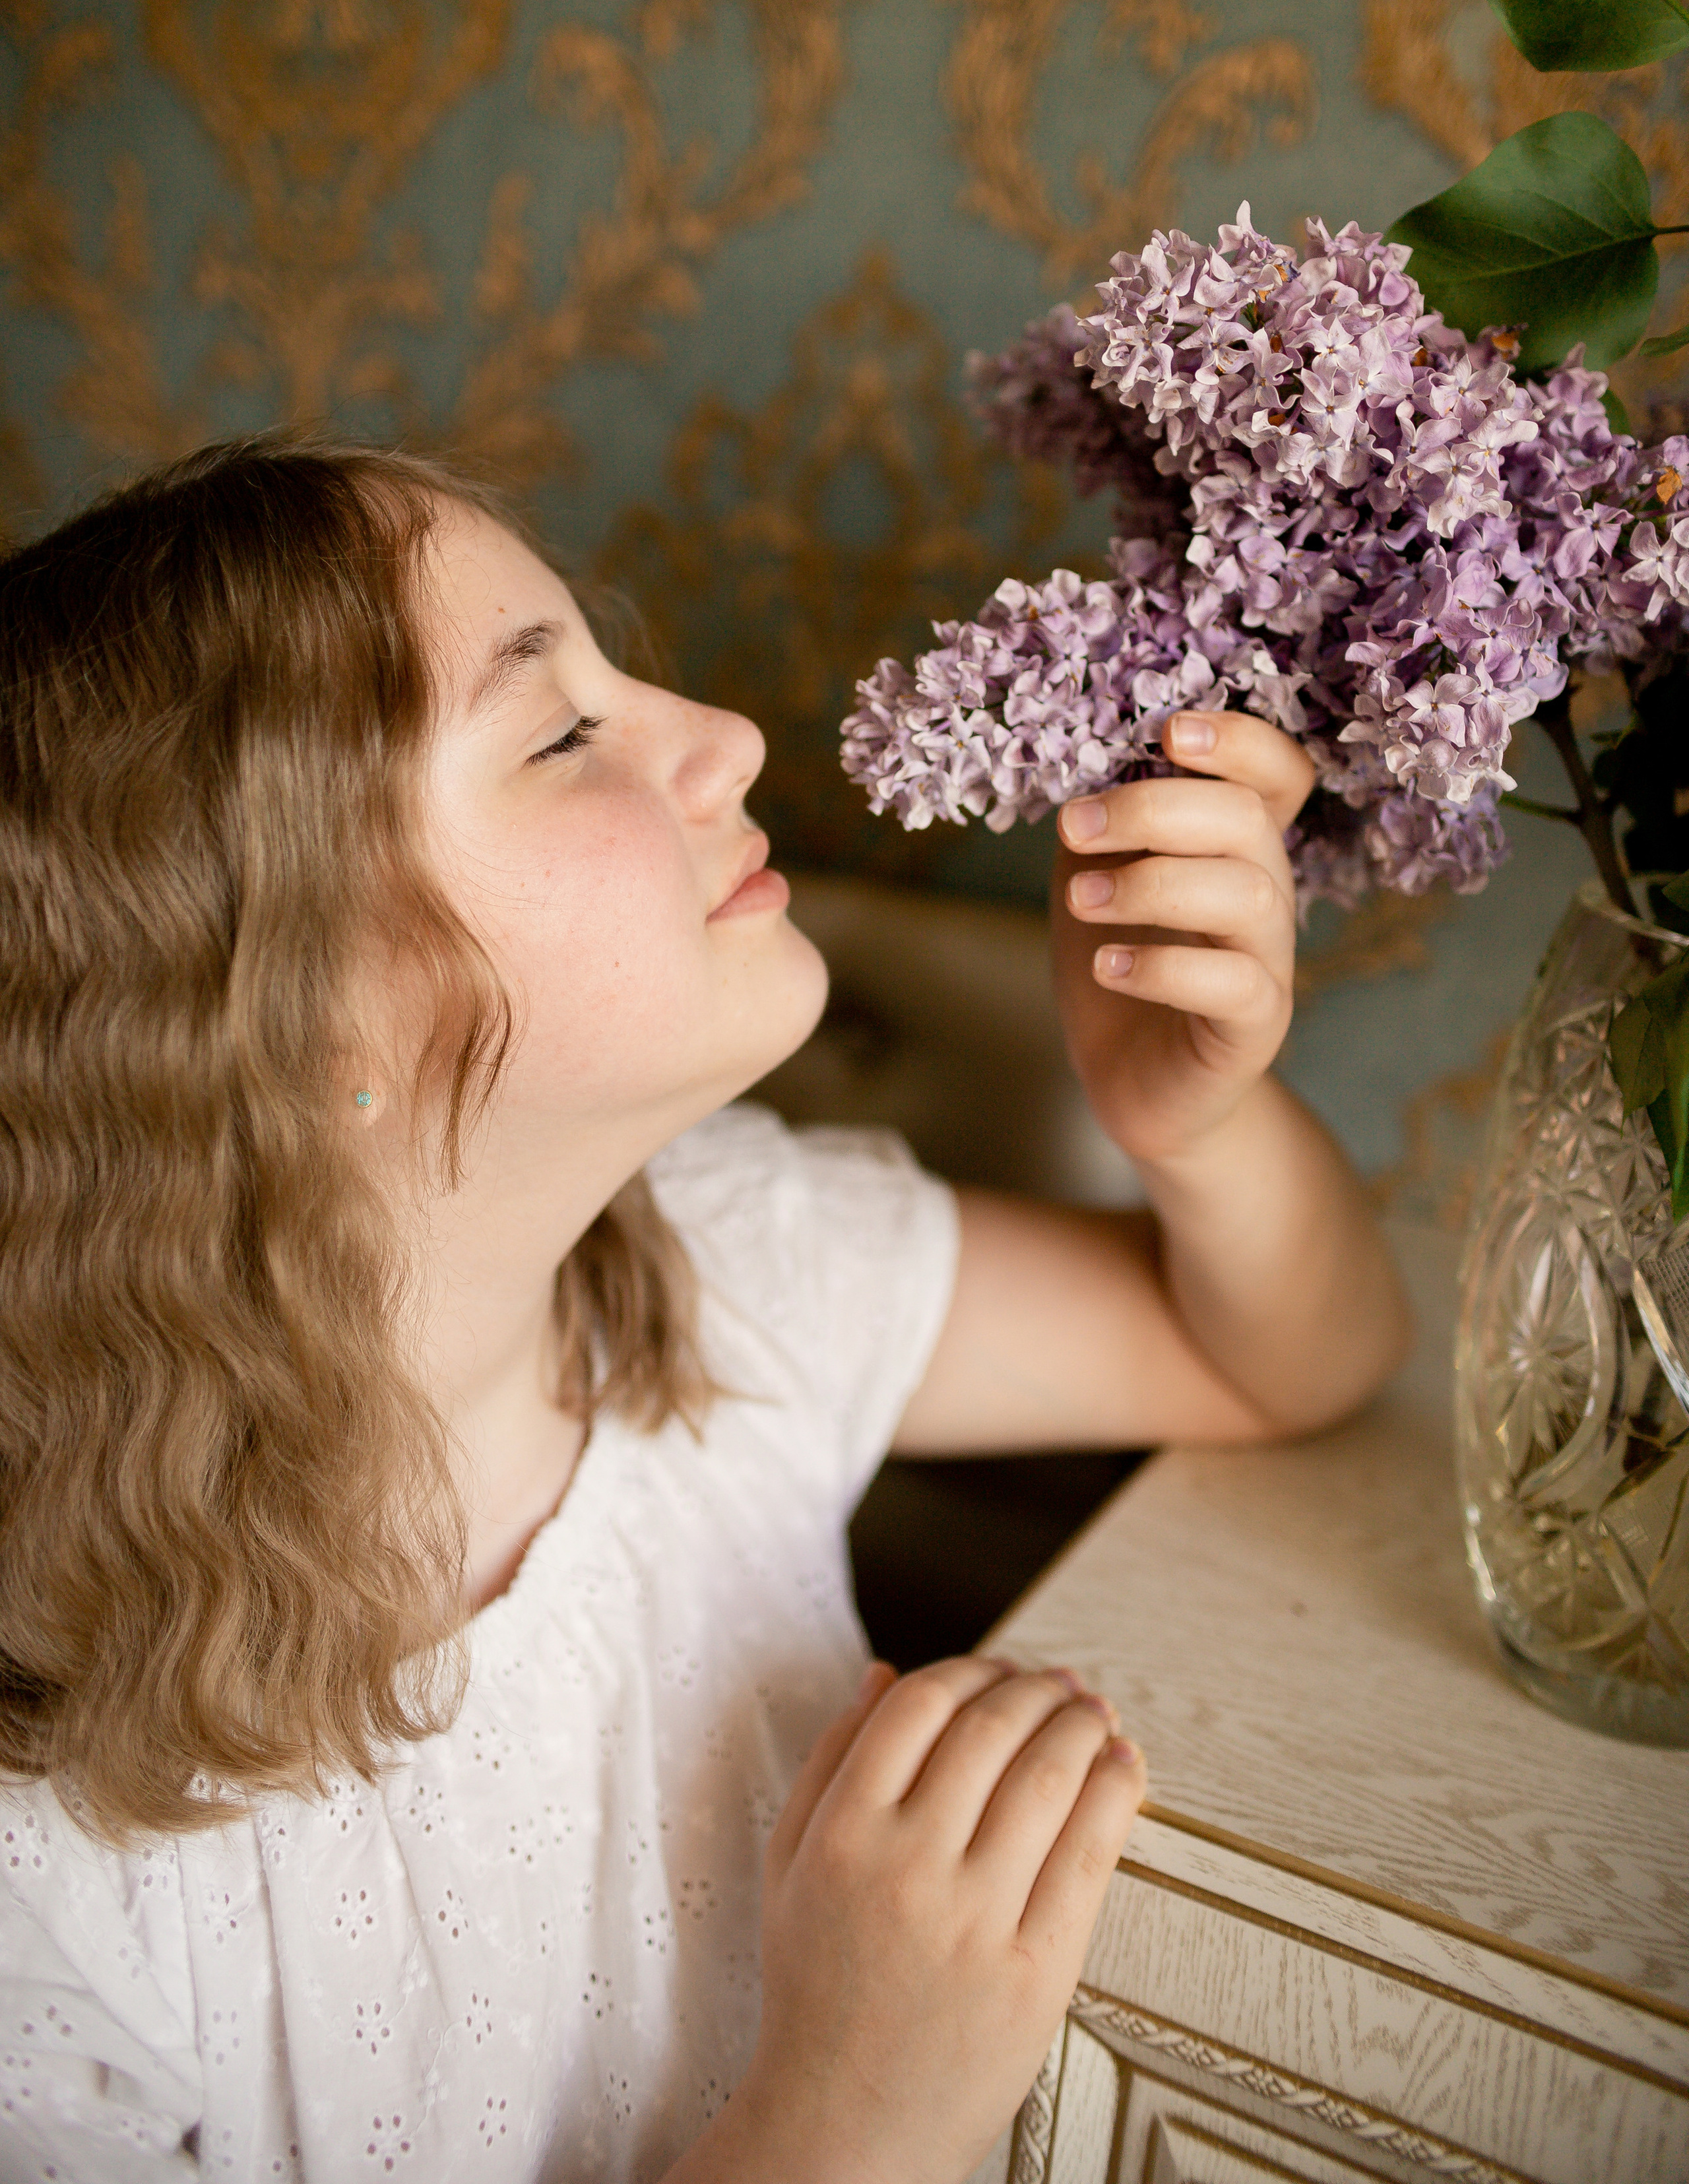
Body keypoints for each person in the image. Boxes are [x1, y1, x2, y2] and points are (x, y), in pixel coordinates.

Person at [0, 430, 1412, 2184]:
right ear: (289, 1019)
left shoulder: (719, 1262)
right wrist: (854, 2110)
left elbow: (1283, 1358)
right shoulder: (45, 1904)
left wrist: (1181, 1122)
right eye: (563, 730)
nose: (727, 737)